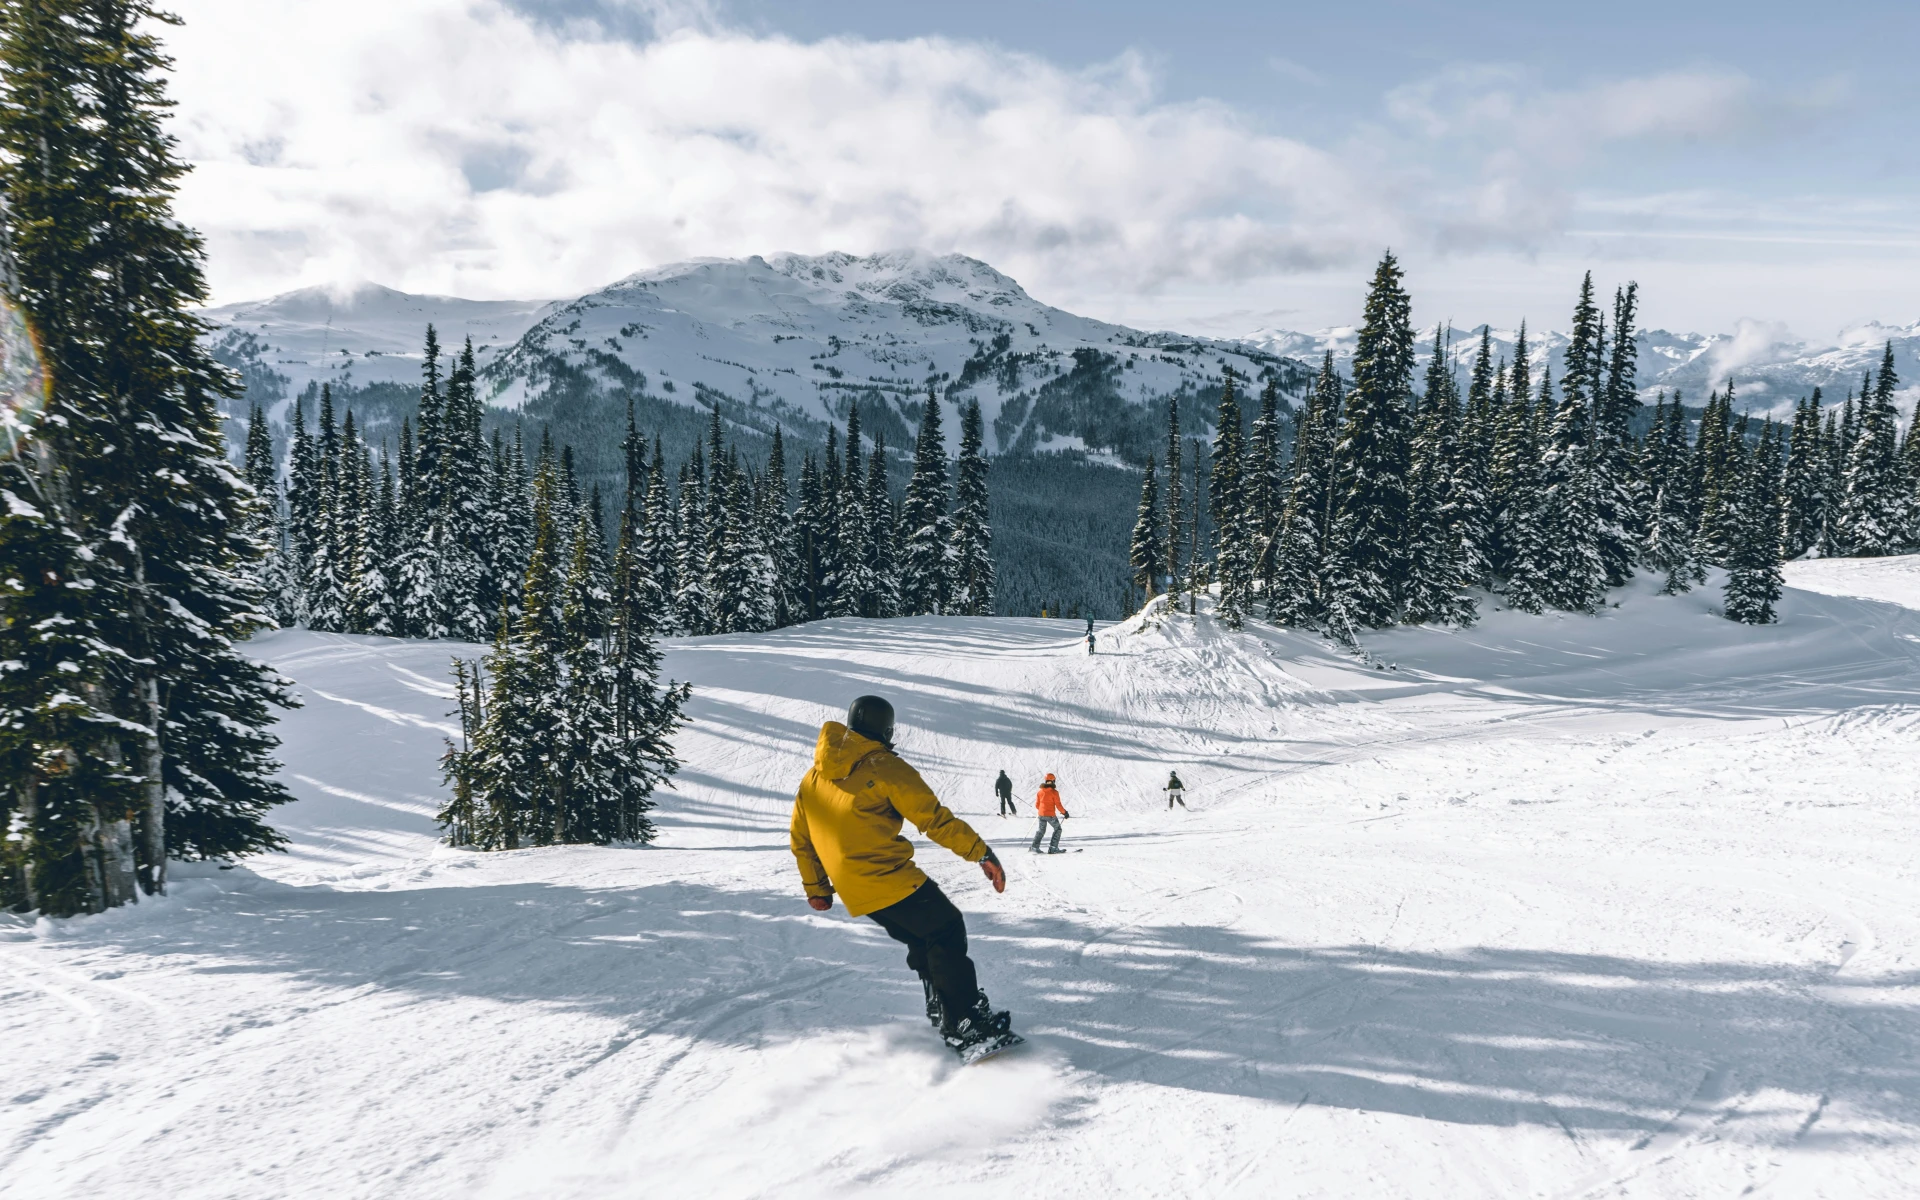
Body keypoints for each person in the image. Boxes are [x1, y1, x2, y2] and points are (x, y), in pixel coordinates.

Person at [790, 694, 1014, 1056]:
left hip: (854, 887)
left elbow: (801, 837)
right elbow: (935, 820)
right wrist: (982, 854)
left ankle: (941, 1003)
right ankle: (963, 1020)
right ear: (887, 729)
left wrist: (818, 888)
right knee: (946, 927)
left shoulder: (814, 775)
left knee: (923, 935)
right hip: (884, 874)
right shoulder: (885, 766)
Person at [1030, 773, 1070, 854]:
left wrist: (1042, 810)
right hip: (1050, 815)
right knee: (1058, 829)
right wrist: (1064, 813)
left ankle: (1034, 847)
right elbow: (1058, 805)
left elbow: (1037, 805)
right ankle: (1053, 847)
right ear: (1053, 781)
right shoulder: (1054, 792)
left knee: (1041, 830)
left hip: (1041, 814)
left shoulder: (1040, 792)